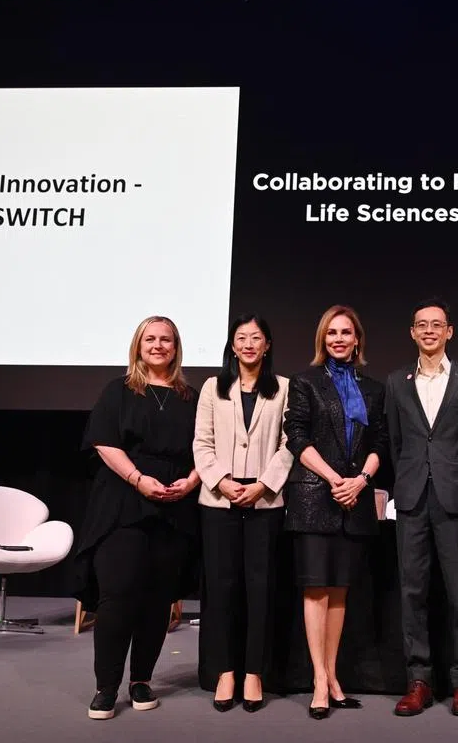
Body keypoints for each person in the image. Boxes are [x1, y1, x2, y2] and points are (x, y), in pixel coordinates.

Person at [73, 316, 201, 720]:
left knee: (158, 599)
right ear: (138, 345)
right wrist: (138, 479)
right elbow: (103, 443)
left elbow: (208, 447)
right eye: (151, 339)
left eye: (166, 339)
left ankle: (141, 680)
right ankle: (106, 688)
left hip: (175, 504)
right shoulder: (120, 391)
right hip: (124, 501)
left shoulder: (191, 397)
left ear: (176, 347)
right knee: (118, 597)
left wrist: (192, 482)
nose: (158, 345)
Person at [282, 304, 388, 720]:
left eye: (346, 332)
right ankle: (319, 682)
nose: (339, 339)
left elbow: (382, 443)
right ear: (322, 339)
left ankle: (332, 674)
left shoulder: (375, 389)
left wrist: (360, 480)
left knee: (341, 589)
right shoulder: (305, 382)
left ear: (357, 338)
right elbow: (296, 436)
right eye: (331, 333)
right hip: (314, 496)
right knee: (316, 589)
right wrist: (333, 479)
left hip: (356, 497)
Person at [385, 299, 458, 718]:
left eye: (437, 325)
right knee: (413, 592)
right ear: (412, 332)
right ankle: (419, 681)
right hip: (411, 497)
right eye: (421, 325)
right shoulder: (396, 381)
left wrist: (456, 474)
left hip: (456, 495)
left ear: (450, 331)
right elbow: (395, 442)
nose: (429, 331)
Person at [193, 314, 294, 713]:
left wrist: (263, 485)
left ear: (267, 345)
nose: (249, 344)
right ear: (232, 346)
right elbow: (202, 443)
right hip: (219, 501)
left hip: (265, 501)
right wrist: (222, 481)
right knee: (221, 589)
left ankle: (254, 672)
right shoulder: (212, 388)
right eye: (241, 338)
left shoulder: (284, 388)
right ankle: (225, 672)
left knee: (261, 588)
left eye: (257, 338)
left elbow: (290, 444)